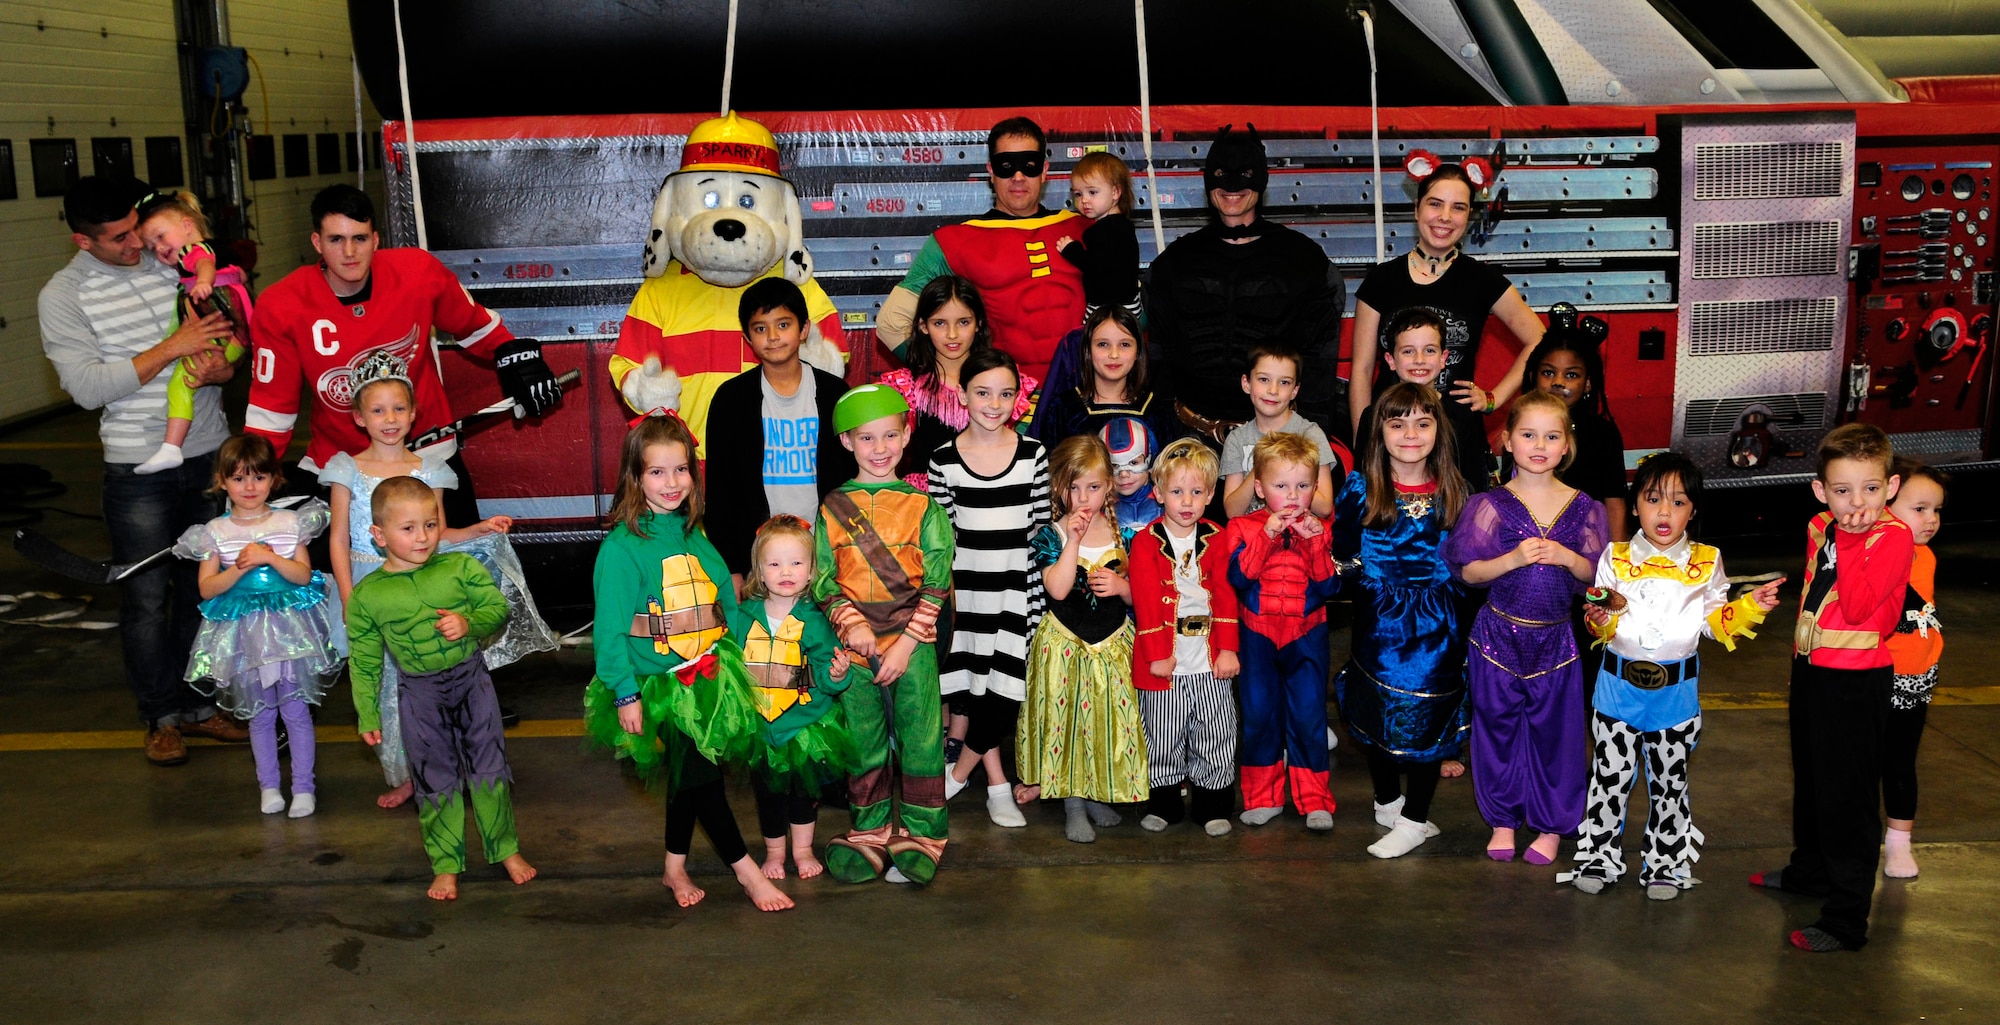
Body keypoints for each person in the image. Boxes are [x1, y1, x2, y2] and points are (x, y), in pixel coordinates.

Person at [39, 174, 248, 765]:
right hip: (137, 467)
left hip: (208, 454)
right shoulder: (64, 295)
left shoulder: (172, 261)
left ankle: (199, 708)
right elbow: (85, 387)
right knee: (146, 597)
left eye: (140, 230)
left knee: (202, 590)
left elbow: (229, 335)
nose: (140, 245)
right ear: (85, 242)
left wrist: (222, 370)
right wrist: (175, 347)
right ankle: (161, 717)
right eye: (121, 238)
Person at [246, 183, 562, 528]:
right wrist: (249, 474)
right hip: (340, 466)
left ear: (377, 240)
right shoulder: (281, 304)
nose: (350, 252)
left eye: (360, 238)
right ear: (317, 243)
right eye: (336, 239)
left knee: (461, 564)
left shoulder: (417, 273)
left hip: (427, 455)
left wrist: (515, 359)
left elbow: (477, 327)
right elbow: (271, 409)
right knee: (332, 574)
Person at [322, 353, 556, 808]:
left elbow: (440, 534)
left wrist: (479, 530)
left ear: (413, 413)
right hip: (372, 588)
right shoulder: (346, 470)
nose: (389, 419)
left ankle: (456, 765)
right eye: (377, 410)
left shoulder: (428, 470)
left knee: (432, 679)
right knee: (388, 686)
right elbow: (336, 538)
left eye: (398, 409)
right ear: (358, 417)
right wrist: (351, 599)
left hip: (424, 589)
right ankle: (409, 772)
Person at [583, 413, 790, 912]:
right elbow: (609, 629)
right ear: (635, 478)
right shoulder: (622, 548)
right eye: (657, 472)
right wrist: (625, 692)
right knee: (702, 780)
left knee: (690, 776)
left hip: (711, 676)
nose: (672, 483)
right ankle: (747, 875)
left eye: (681, 470)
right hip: (659, 684)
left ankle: (674, 868)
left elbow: (725, 604)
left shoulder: (695, 533)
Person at [1569, 452, 1783, 898]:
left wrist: (1749, 607)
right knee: (1609, 778)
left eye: (1679, 502)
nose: (1664, 513)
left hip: (1675, 694)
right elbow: (1603, 628)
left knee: (1670, 782)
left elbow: (1714, 622)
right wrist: (1600, 615)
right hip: (1616, 690)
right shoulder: (1615, 556)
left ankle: (1666, 862)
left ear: (1694, 509)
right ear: (1634, 505)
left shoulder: (1708, 561)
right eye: (1652, 499)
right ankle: (1598, 856)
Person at [1750, 425, 1914, 953]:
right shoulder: (1820, 524)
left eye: (1870, 488)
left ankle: (1847, 919)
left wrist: (1850, 538)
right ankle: (1811, 871)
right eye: (1842, 490)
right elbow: (1819, 591)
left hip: (1857, 682)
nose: (1856, 503)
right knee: (1814, 783)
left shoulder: (1893, 537)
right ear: (1821, 490)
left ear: (1890, 487)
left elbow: (1864, 606)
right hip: (1813, 672)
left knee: (1849, 798)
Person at [347, 475, 538, 902]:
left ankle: (505, 849)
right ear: (378, 535)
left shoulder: (460, 566)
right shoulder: (367, 595)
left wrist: (469, 622)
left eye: (430, 525)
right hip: (419, 693)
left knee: (490, 767)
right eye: (408, 528)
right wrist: (367, 713)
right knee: (434, 779)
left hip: (471, 681)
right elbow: (363, 660)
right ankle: (446, 865)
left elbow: (496, 607)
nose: (422, 537)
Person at [1444, 392, 1608, 865]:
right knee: (1495, 729)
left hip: (1556, 641)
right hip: (1496, 639)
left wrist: (1570, 557)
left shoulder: (1584, 507)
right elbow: (1466, 572)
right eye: (1528, 434)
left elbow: (1600, 578)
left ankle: (1552, 825)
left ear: (1566, 446)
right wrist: (1511, 559)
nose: (1540, 444)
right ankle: (1501, 819)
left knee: (1557, 736)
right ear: (1508, 441)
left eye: (1552, 436)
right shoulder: (1489, 504)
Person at [814, 384, 957, 885]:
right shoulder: (832, 507)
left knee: (921, 740)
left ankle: (923, 834)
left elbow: (938, 583)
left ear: (906, 435)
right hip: (855, 650)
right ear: (847, 442)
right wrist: (851, 626)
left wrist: (907, 644)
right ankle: (870, 832)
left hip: (911, 647)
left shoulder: (924, 506)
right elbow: (823, 579)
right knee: (863, 744)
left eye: (890, 435)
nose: (880, 448)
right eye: (867, 438)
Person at [174, 436, 346, 817]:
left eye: (258, 477)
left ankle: (304, 787)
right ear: (222, 482)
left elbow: (302, 576)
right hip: (245, 633)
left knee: (297, 710)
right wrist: (238, 567)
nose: (249, 488)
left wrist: (269, 557)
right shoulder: (213, 532)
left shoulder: (289, 522)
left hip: (290, 631)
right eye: (238, 479)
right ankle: (268, 786)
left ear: (274, 479)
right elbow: (206, 588)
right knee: (262, 713)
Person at [1332, 383, 1470, 859]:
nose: (1411, 434)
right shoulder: (1360, 486)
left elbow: (1467, 557)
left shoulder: (1453, 487)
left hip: (1437, 621)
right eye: (1398, 423)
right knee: (1375, 707)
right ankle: (1388, 800)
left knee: (1430, 712)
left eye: (1423, 423)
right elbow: (1343, 549)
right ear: (1379, 431)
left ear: (1438, 430)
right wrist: (1359, 584)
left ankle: (1415, 817)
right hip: (1379, 620)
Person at [1146, 125, 1345, 446]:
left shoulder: (1305, 261)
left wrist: (1312, 442)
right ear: (1208, 180)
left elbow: (1319, 364)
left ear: (1262, 179)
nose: (1232, 186)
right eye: (1222, 173)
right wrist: (1160, 437)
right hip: (1191, 441)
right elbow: (1159, 361)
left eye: (1245, 174)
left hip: (1276, 442)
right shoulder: (1174, 263)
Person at [927, 349, 1047, 828]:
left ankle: (958, 775)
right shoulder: (943, 460)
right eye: (982, 393)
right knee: (978, 691)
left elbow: (1040, 527)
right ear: (962, 395)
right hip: (969, 595)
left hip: (1018, 591)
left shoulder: (1032, 453)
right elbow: (944, 535)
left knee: (1005, 691)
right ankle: (998, 786)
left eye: (1004, 394)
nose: (993, 404)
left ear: (1017, 399)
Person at [875, 117, 1086, 381]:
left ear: (1044, 170)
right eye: (1006, 166)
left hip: (1085, 400)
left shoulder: (1083, 228)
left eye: (1029, 166)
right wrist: (951, 381)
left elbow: (1131, 310)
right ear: (991, 170)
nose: (1018, 177)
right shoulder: (954, 241)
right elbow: (891, 323)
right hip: (1006, 410)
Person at [1348, 163, 1546, 440]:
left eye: (1458, 207)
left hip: (1456, 438)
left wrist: (1493, 398)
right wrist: (1363, 442)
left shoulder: (1483, 280)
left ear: (1470, 215)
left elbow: (1539, 338)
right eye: (1435, 204)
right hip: (1391, 436)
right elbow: (1362, 369)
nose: (1445, 217)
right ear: (1417, 207)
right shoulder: (1381, 280)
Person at [1017, 434, 1145, 843]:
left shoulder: (1124, 532)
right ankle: (1072, 801)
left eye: (1093, 486)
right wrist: (1072, 539)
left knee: (1104, 721)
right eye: (1075, 487)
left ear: (1109, 484)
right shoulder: (1050, 535)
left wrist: (1123, 588)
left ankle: (1094, 793)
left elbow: (1142, 590)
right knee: (1067, 722)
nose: (1085, 496)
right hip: (1064, 645)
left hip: (1111, 644)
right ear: (1061, 488)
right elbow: (1056, 589)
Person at [705, 277, 858, 593]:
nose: (773, 337)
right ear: (747, 337)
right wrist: (732, 569)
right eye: (761, 328)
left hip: (827, 556)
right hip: (758, 561)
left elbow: (852, 481)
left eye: (783, 325)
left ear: (803, 330)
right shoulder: (730, 400)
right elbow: (720, 493)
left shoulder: (834, 394)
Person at [730, 515, 858, 881]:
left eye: (796, 562)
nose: (786, 571)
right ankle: (774, 853)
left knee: (802, 796)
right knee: (768, 797)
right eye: (774, 563)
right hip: (759, 730)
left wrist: (837, 674)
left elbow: (833, 675)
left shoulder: (816, 620)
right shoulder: (743, 616)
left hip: (803, 727)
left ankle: (802, 850)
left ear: (812, 569)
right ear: (759, 569)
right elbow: (727, 664)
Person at [1225, 432, 1342, 830]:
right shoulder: (1242, 526)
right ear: (1259, 487)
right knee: (1259, 716)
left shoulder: (1321, 528)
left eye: (1303, 486)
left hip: (1307, 635)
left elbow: (1329, 588)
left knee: (1309, 716)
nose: (1292, 496)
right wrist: (1269, 534)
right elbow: (1238, 578)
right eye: (1280, 486)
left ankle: (1315, 799)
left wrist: (1313, 544)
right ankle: (1263, 796)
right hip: (1257, 635)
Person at [1128, 438, 1242, 837]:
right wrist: (1157, 654)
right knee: (1162, 737)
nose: (1187, 501)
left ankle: (1212, 807)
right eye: (1177, 492)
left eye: (1196, 492)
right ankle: (1164, 804)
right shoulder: (1144, 541)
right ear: (1158, 493)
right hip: (1165, 664)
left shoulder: (1218, 536)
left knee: (1217, 734)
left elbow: (1228, 594)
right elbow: (1143, 599)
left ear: (1210, 494)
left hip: (1209, 660)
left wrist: (1228, 648)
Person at [130, 190, 252, 476]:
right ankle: (171, 448)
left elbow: (203, 264)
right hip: (235, 333)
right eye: (150, 246)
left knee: (179, 384)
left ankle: (171, 447)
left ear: (187, 225)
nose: (158, 248)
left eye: (160, 237)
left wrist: (204, 284)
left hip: (225, 331)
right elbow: (240, 276)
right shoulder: (220, 248)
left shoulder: (191, 253)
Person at [878, 276, 1034, 485]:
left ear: (978, 323)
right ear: (924, 326)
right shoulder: (907, 386)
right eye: (940, 323)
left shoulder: (1003, 380)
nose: (952, 334)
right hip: (929, 500)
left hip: (988, 491)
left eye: (963, 322)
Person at [1882, 458, 1946, 880]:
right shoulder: (1876, 550)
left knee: (1901, 763)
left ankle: (1899, 843)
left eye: (1937, 510)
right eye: (1919, 508)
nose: (1931, 520)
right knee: (1861, 763)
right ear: (1887, 502)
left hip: (1914, 678)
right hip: (1872, 673)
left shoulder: (1925, 557)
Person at [1357, 305, 1493, 493]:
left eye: (1429, 350)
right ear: (1390, 360)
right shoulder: (1374, 415)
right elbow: (1363, 480)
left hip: (1451, 517)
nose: (1419, 359)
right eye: (1408, 351)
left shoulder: (1463, 413)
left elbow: (1477, 485)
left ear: (1443, 358)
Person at [1518, 305, 1627, 537]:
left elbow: (1615, 501)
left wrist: (1616, 559)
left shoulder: (1602, 433)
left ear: (1588, 383)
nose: (1558, 382)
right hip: (1531, 537)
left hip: (1587, 540)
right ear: (1532, 376)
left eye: (1571, 375)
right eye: (1548, 372)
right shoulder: (1520, 427)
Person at [1221, 346, 1341, 519]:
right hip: (1252, 538)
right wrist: (1263, 465)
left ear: (1295, 390)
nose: (1273, 390)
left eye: (1284, 382)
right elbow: (1232, 512)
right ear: (1246, 383)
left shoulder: (1310, 434)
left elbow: (1324, 508)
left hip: (1297, 538)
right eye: (1263, 379)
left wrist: (1294, 480)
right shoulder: (1237, 439)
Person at [1030, 305, 1170, 449]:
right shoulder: (1064, 408)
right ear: (1087, 350)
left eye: (1125, 344)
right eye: (1103, 344)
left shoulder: (1156, 409)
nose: (1114, 354)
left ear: (1138, 352)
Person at [1055, 151, 1142, 320]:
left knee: (1093, 343)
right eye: (1078, 194)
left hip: (1108, 309)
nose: (1084, 200)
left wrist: (1072, 249)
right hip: (1129, 305)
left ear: (1115, 192)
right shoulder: (1123, 225)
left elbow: (1095, 266)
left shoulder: (1103, 231)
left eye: (1092, 192)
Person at [1100, 416, 1163, 542]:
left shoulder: (1166, 502)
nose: (1123, 474)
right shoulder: (1101, 507)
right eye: (1115, 465)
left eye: (1133, 463)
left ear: (1149, 460)